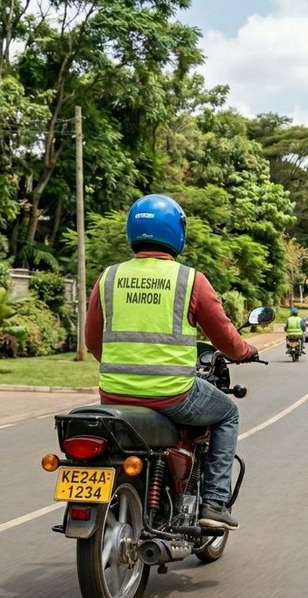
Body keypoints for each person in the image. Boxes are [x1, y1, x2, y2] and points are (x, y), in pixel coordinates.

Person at [85, 194, 257, 530]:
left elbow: (93, 341)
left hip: (114, 396)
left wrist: (124, 368)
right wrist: (245, 351)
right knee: (228, 414)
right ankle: (213, 503)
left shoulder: (108, 277)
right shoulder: (189, 280)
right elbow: (225, 339)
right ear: (177, 232)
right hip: (173, 396)